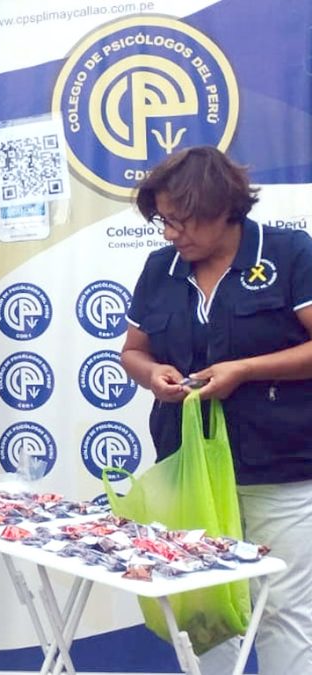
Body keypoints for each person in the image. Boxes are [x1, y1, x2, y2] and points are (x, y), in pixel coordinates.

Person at [121, 146, 312, 675]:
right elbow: (133, 351)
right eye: (163, 220)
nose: (169, 234)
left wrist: (245, 370)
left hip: (278, 467)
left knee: (282, 608)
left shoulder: (289, 253)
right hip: (190, 470)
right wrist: (151, 375)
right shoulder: (161, 269)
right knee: (201, 607)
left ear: (224, 208)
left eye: (180, 221)